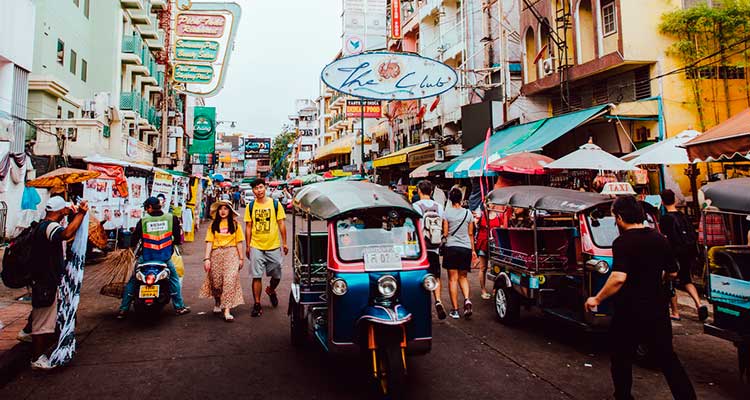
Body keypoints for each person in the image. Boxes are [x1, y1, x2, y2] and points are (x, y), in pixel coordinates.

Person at [585, 196, 696, 400]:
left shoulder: (622, 242)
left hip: (629, 311)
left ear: (619, 218)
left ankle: (624, 397)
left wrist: (597, 299)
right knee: (668, 358)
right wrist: (655, 277)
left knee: (621, 358)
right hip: (657, 309)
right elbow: (672, 272)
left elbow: (618, 278)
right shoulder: (659, 239)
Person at [28, 196, 89, 370]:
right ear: (58, 210)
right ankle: (37, 358)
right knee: (43, 322)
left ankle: (29, 334)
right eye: (64, 209)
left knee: (45, 315)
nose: (66, 211)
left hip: (44, 279)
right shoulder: (50, 226)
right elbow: (67, 234)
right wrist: (82, 213)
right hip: (46, 281)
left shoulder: (41, 225)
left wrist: (74, 214)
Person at [117, 197, 190, 319]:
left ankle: (123, 309)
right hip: (164, 259)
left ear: (150, 208)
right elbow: (177, 239)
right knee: (174, 279)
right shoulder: (171, 218)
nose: (146, 211)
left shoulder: (143, 221)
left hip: (146, 258)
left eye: (146, 208)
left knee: (133, 281)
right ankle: (179, 307)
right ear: (159, 205)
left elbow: (134, 240)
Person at [658, 189, 707, 321]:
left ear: (662, 202)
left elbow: (665, 238)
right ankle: (699, 304)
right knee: (686, 279)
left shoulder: (665, 219)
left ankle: (675, 312)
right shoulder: (683, 216)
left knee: (669, 282)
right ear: (675, 200)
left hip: (673, 254)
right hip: (688, 252)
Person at [245, 178, 288, 317]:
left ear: (265, 188)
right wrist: (247, 245)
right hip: (256, 246)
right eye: (256, 188)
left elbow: (281, 224)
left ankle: (271, 289)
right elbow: (248, 227)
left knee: (277, 275)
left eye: (261, 187)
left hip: (273, 246)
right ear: (253, 191)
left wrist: (285, 242)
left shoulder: (275, 204)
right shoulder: (250, 206)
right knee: (256, 276)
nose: (259, 190)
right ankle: (257, 304)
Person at [200, 200, 244, 322]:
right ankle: (218, 301)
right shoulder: (213, 225)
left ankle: (227, 310)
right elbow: (209, 242)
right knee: (217, 282)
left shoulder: (236, 225)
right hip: (216, 254)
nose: (223, 211)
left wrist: (241, 258)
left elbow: (239, 242)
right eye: (220, 209)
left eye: (226, 208)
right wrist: (207, 258)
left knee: (230, 280)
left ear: (230, 211)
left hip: (232, 253)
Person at [412, 180, 447, 320]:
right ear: (431, 192)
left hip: (420, 249)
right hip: (434, 247)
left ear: (419, 191)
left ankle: (422, 306)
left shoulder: (416, 206)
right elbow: (444, 225)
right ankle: (438, 300)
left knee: (420, 277)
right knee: (436, 276)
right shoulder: (439, 206)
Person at [442, 188, 475, 319]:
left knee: (453, 279)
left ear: (450, 199)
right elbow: (471, 233)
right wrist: (473, 250)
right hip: (466, 248)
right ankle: (467, 300)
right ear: (461, 199)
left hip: (452, 248)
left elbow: (445, 233)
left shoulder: (447, 214)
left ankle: (455, 310)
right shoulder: (468, 213)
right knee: (463, 277)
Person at [475, 208, 502, 300]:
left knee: (497, 269)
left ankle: (495, 289)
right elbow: (475, 225)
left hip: (495, 245)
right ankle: (483, 290)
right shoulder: (482, 214)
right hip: (483, 243)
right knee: (483, 268)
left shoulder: (499, 215)